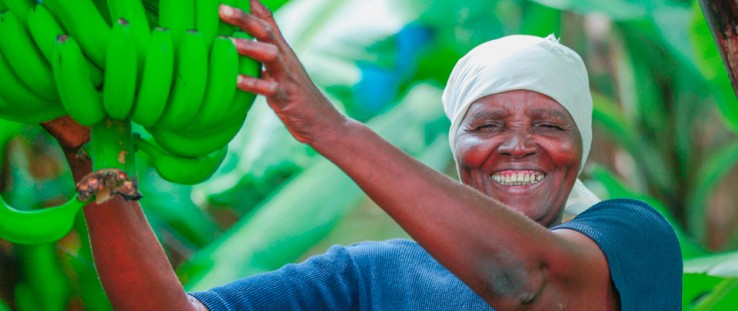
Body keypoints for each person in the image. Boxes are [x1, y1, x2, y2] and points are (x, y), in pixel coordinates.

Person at [64, 1, 682, 310]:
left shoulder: (631, 237)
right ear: (457, 145)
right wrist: (88, 153)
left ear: (581, 146)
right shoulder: (370, 276)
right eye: (488, 123)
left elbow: (530, 281)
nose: (518, 144)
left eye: (549, 123)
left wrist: (330, 129)